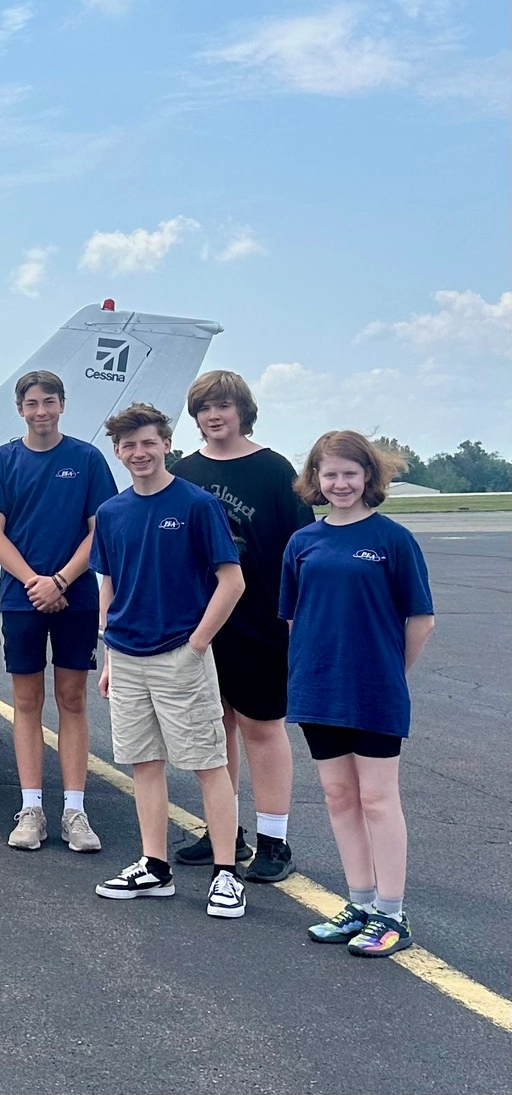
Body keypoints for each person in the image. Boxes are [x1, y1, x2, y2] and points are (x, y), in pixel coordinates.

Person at [88, 403, 249, 919]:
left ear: (166, 445)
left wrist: (197, 645)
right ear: (118, 452)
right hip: (128, 655)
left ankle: (227, 873)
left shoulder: (197, 504)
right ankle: (154, 866)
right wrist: (110, 651)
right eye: (128, 445)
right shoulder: (112, 512)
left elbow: (232, 580)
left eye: (148, 443)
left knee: (207, 762)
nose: (139, 453)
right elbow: (108, 584)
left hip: (181, 652)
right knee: (143, 763)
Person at [282, 431, 434, 957]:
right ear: (316, 481)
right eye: (330, 474)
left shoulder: (392, 539)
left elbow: (421, 620)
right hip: (318, 688)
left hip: (374, 690)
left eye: (350, 472)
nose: (341, 482)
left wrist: (390, 671)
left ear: (368, 475)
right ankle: (362, 904)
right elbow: (294, 617)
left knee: (376, 798)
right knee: (339, 797)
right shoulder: (304, 542)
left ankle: (393, 913)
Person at [169, 371, 314, 883]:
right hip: (201, 621)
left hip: (260, 619)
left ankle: (274, 839)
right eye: (205, 407)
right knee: (214, 730)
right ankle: (223, 831)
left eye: (224, 406)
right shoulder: (183, 472)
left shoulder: (274, 470)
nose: (214, 415)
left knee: (261, 726)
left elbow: (300, 550)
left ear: (242, 411)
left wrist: (298, 618)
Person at [0, 372, 118, 853]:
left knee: (73, 699)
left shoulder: (87, 458)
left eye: (50, 402)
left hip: (74, 596)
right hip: (22, 598)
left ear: (63, 405)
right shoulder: (2, 460)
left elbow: (100, 529)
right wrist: (35, 582)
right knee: (26, 702)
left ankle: (75, 811)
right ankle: (32, 808)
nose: (41, 411)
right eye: (32, 403)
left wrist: (60, 580)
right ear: (20, 409)